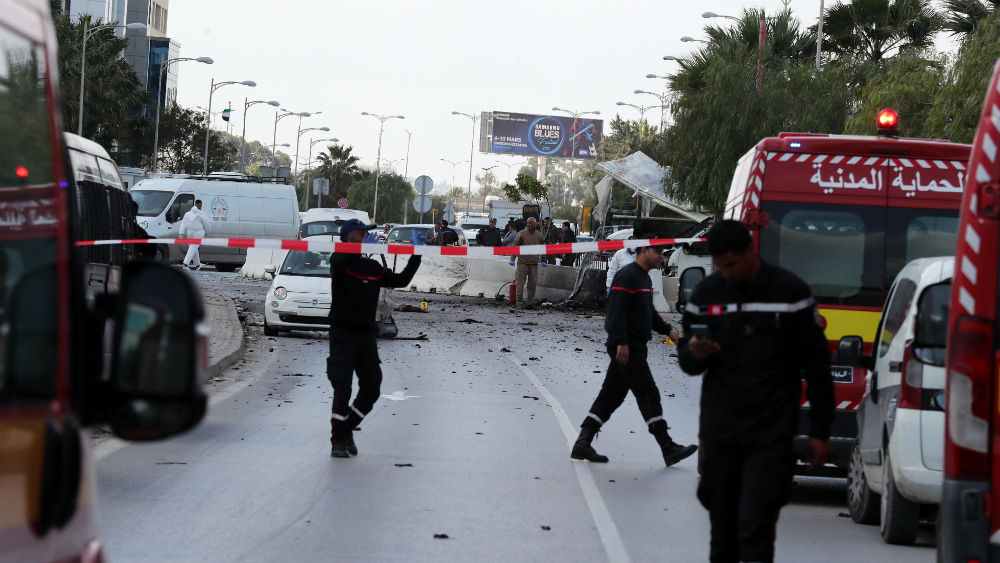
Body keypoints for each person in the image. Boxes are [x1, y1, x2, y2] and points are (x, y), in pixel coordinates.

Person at [677, 220, 834, 563]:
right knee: (723, 532)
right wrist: (693, 353)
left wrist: (820, 431)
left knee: (754, 527)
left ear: (751, 251)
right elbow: (687, 361)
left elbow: (819, 367)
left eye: (732, 264)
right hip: (721, 431)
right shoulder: (705, 296)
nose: (727, 273)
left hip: (770, 432)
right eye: (720, 267)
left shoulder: (789, 294)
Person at [571, 234, 698, 467]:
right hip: (627, 347)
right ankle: (667, 446)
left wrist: (670, 332)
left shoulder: (645, 279)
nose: (662, 257)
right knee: (648, 392)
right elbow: (614, 314)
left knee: (610, 396)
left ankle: (583, 441)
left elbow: (648, 313)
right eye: (658, 252)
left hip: (634, 345)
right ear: (643, 252)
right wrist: (622, 343)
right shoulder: (627, 276)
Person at [327, 219, 423, 458]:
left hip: (366, 334)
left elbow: (401, 280)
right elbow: (341, 263)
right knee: (343, 386)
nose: (368, 237)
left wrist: (416, 254)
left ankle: (346, 430)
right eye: (362, 234)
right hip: (343, 332)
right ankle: (338, 441)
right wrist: (359, 251)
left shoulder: (371, 267)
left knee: (371, 388)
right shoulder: (339, 260)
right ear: (349, 237)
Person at [511, 217, 544, 310]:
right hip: (523, 263)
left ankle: (529, 303)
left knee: (532, 285)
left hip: (533, 263)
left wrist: (544, 259)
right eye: (527, 223)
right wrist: (512, 258)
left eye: (530, 223)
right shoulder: (521, 233)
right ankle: (519, 303)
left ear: (534, 224)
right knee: (520, 283)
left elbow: (543, 247)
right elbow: (515, 246)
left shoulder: (539, 235)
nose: (528, 224)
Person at [178, 199, 212, 270]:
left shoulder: (187, 214)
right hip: (198, 233)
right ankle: (185, 264)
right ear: (201, 205)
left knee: (193, 248)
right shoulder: (202, 214)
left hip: (189, 232)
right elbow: (207, 224)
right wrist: (207, 232)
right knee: (193, 247)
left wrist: (181, 233)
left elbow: (183, 223)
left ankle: (197, 265)